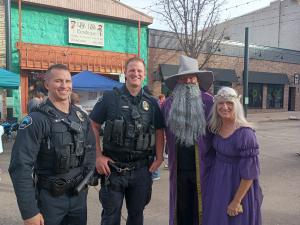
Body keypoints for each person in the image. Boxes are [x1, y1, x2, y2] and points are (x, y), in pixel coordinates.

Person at [9, 64, 96, 225]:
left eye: (68, 81)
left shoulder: (81, 117)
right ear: (47, 84)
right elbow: (20, 166)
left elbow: (91, 151)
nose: (64, 86)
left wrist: (86, 180)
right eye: (58, 81)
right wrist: (29, 212)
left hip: (78, 197)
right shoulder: (36, 120)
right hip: (49, 200)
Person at [89, 56, 165, 225]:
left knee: (137, 216)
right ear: (125, 73)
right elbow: (92, 125)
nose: (135, 74)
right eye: (132, 70)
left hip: (141, 170)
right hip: (113, 169)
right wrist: (97, 156)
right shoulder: (110, 98)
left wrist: (159, 157)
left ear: (144, 75)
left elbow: (160, 130)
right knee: (111, 217)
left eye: (139, 71)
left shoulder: (152, 103)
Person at [161, 55, 214, 225]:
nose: (189, 81)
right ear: (178, 82)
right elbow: (158, 130)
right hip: (179, 168)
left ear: (197, 80)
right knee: (181, 208)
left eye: (192, 77)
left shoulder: (209, 102)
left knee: (202, 207)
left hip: (204, 166)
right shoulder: (169, 104)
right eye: (184, 78)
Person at [204, 87, 263, 225]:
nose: (225, 107)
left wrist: (236, 201)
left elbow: (250, 174)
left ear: (237, 105)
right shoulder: (216, 128)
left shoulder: (246, 134)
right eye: (221, 103)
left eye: (229, 103)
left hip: (237, 187)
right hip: (218, 183)